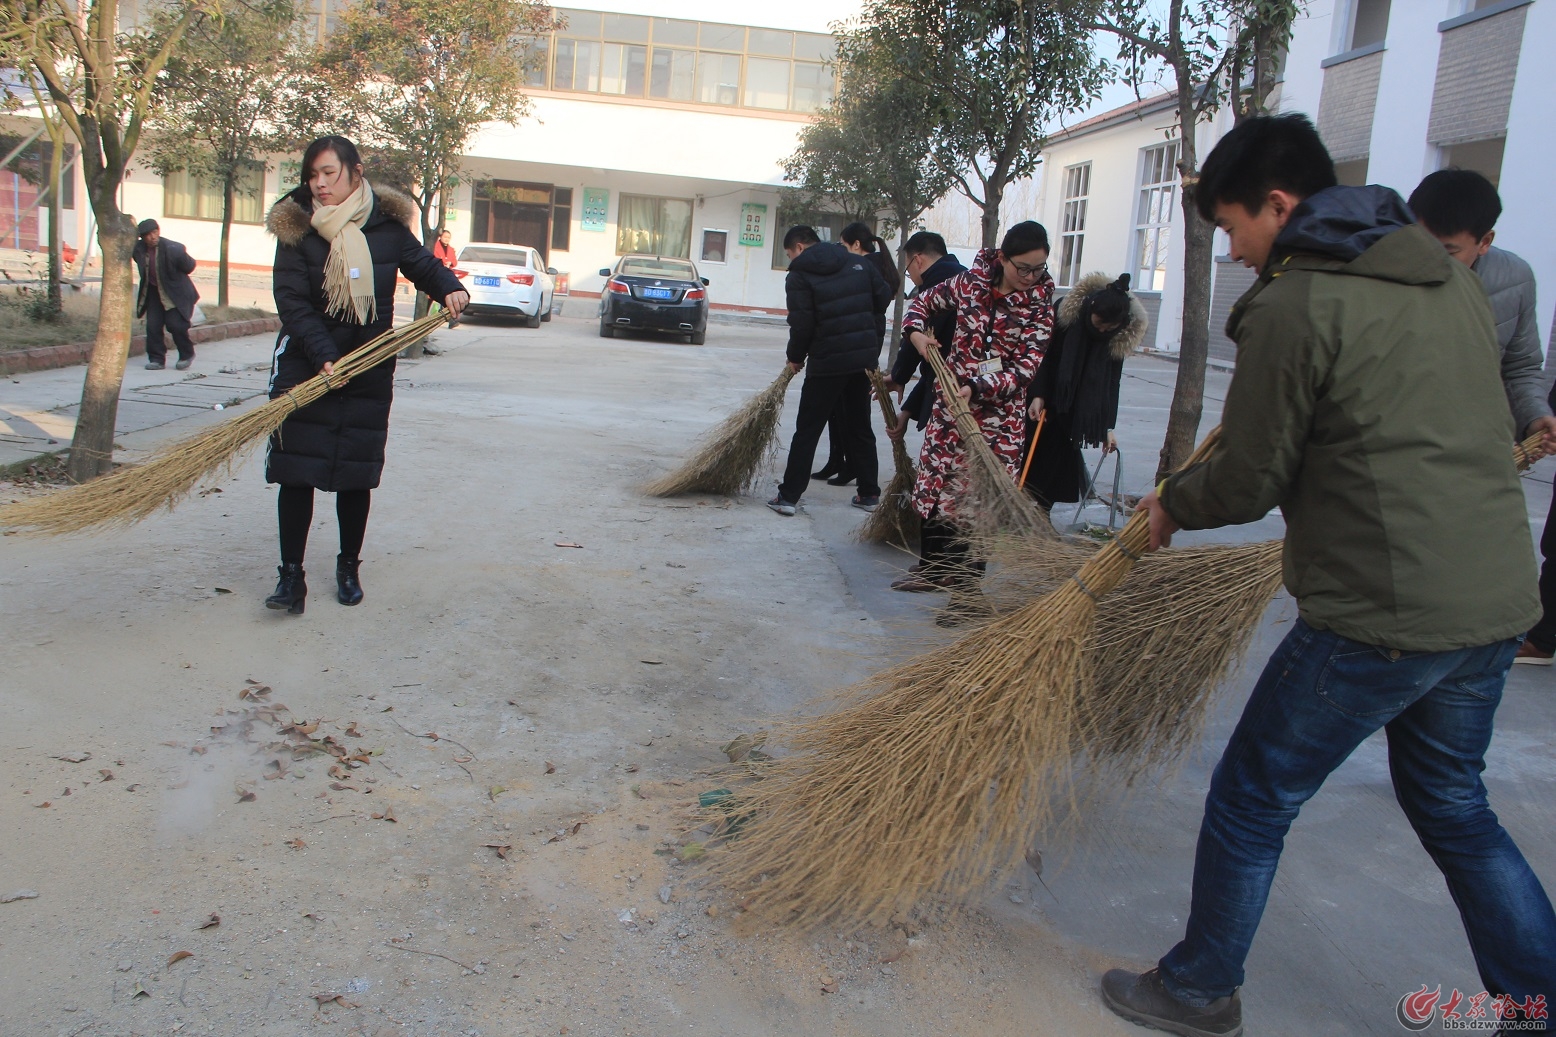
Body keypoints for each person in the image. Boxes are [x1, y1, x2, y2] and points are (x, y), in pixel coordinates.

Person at [1108, 114, 1556, 1037]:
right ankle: (1538, 1004)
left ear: (1280, 204)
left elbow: (1253, 474)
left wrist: (1172, 504)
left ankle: (1198, 986)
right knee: (1457, 808)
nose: (1230, 250)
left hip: (1385, 607)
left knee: (1251, 793)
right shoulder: (1451, 281)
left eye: (1232, 229)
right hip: (1496, 595)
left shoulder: (1297, 302)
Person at [262, 135, 468, 614]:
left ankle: (347, 566)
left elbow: (422, 266)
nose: (319, 185)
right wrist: (322, 355)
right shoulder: (297, 229)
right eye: (312, 175)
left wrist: (450, 289)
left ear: (356, 171)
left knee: (355, 473)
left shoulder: (388, 228)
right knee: (297, 473)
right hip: (308, 367)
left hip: (368, 366)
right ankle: (291, 577)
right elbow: (291, 301)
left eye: (328, 173)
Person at [1408, 169, 1556, 666]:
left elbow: (1521, 366)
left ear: (1485, 241)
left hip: (1479, 454)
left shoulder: (1515, 279)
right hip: (1406, 447)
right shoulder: (1385, 274)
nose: (1429, 259)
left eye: (1447, 250)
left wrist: (1537, 416)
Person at [898, 221, 1054, 624]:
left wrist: (977, 386)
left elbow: (1024, 369)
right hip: (951, 415)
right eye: (1024, 267)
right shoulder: (969, 284)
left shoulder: (1039, 306)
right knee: (939, 498)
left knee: (978, 508)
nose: (1031, 277)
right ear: (1002, 258)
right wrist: (917, 336)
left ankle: (969, 596)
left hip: (997, 425)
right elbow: (919, 305)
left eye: (1039, 268)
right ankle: (940, 574)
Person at [768, 225, 892, 516]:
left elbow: (802, 324)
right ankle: (869, 494)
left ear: (798, 247)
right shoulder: (856, 261)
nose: (790, 259)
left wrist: (795, 357)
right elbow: (883, 297)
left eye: (788, 254)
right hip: (863, 359)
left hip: (827, 363)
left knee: (808, 429)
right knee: (860, 426)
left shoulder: (799, 274)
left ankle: (788, 498)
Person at [880, 231, 966, 593]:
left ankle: (940, 569)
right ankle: (937, 565)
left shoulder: (941, 289)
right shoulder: (962, 279)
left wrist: (898, 377)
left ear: (917, 259)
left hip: (960, 402)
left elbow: (919, 341)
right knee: (948, 488)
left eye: (909, 268)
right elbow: (933, 365)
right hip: (950, 393)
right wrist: (911, 402)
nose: (911, 278)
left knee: (943, 489)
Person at [1022, 272, 1146, 510]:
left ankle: (1042, 512)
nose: (1101, 331)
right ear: (1090, 309)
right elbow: (1044, 356)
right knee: (1030, 455)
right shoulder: (1067, 317)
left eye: (1108, 328)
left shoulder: (1117, 338)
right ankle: (1019, 510)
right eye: (1098, 323)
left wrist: (1107, 426)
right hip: (1048, 397)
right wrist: (1038, 395)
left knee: (1057, 464)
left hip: (1076, 412)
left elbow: (1112, 382)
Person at [811, 222, 901, 486]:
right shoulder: (871, 265)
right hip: (859, 342)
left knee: (853, 414)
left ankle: (854, 468)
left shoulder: (867, 268)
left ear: (856, 245)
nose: (841, 251)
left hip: (860, 345)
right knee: (838, 410)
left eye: (843, 245)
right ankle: (839, 461)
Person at [133, 219, 200, 371]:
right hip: (153, 292)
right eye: (148, 235)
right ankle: (156, 359)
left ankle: (186, 354)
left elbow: (190, 266)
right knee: (153, 326)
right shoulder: (138, 249)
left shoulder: (173, 249)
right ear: (142, 238)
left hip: (176, 292)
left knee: (175, 325)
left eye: (155, 232)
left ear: (158, 231)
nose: (152, 237)